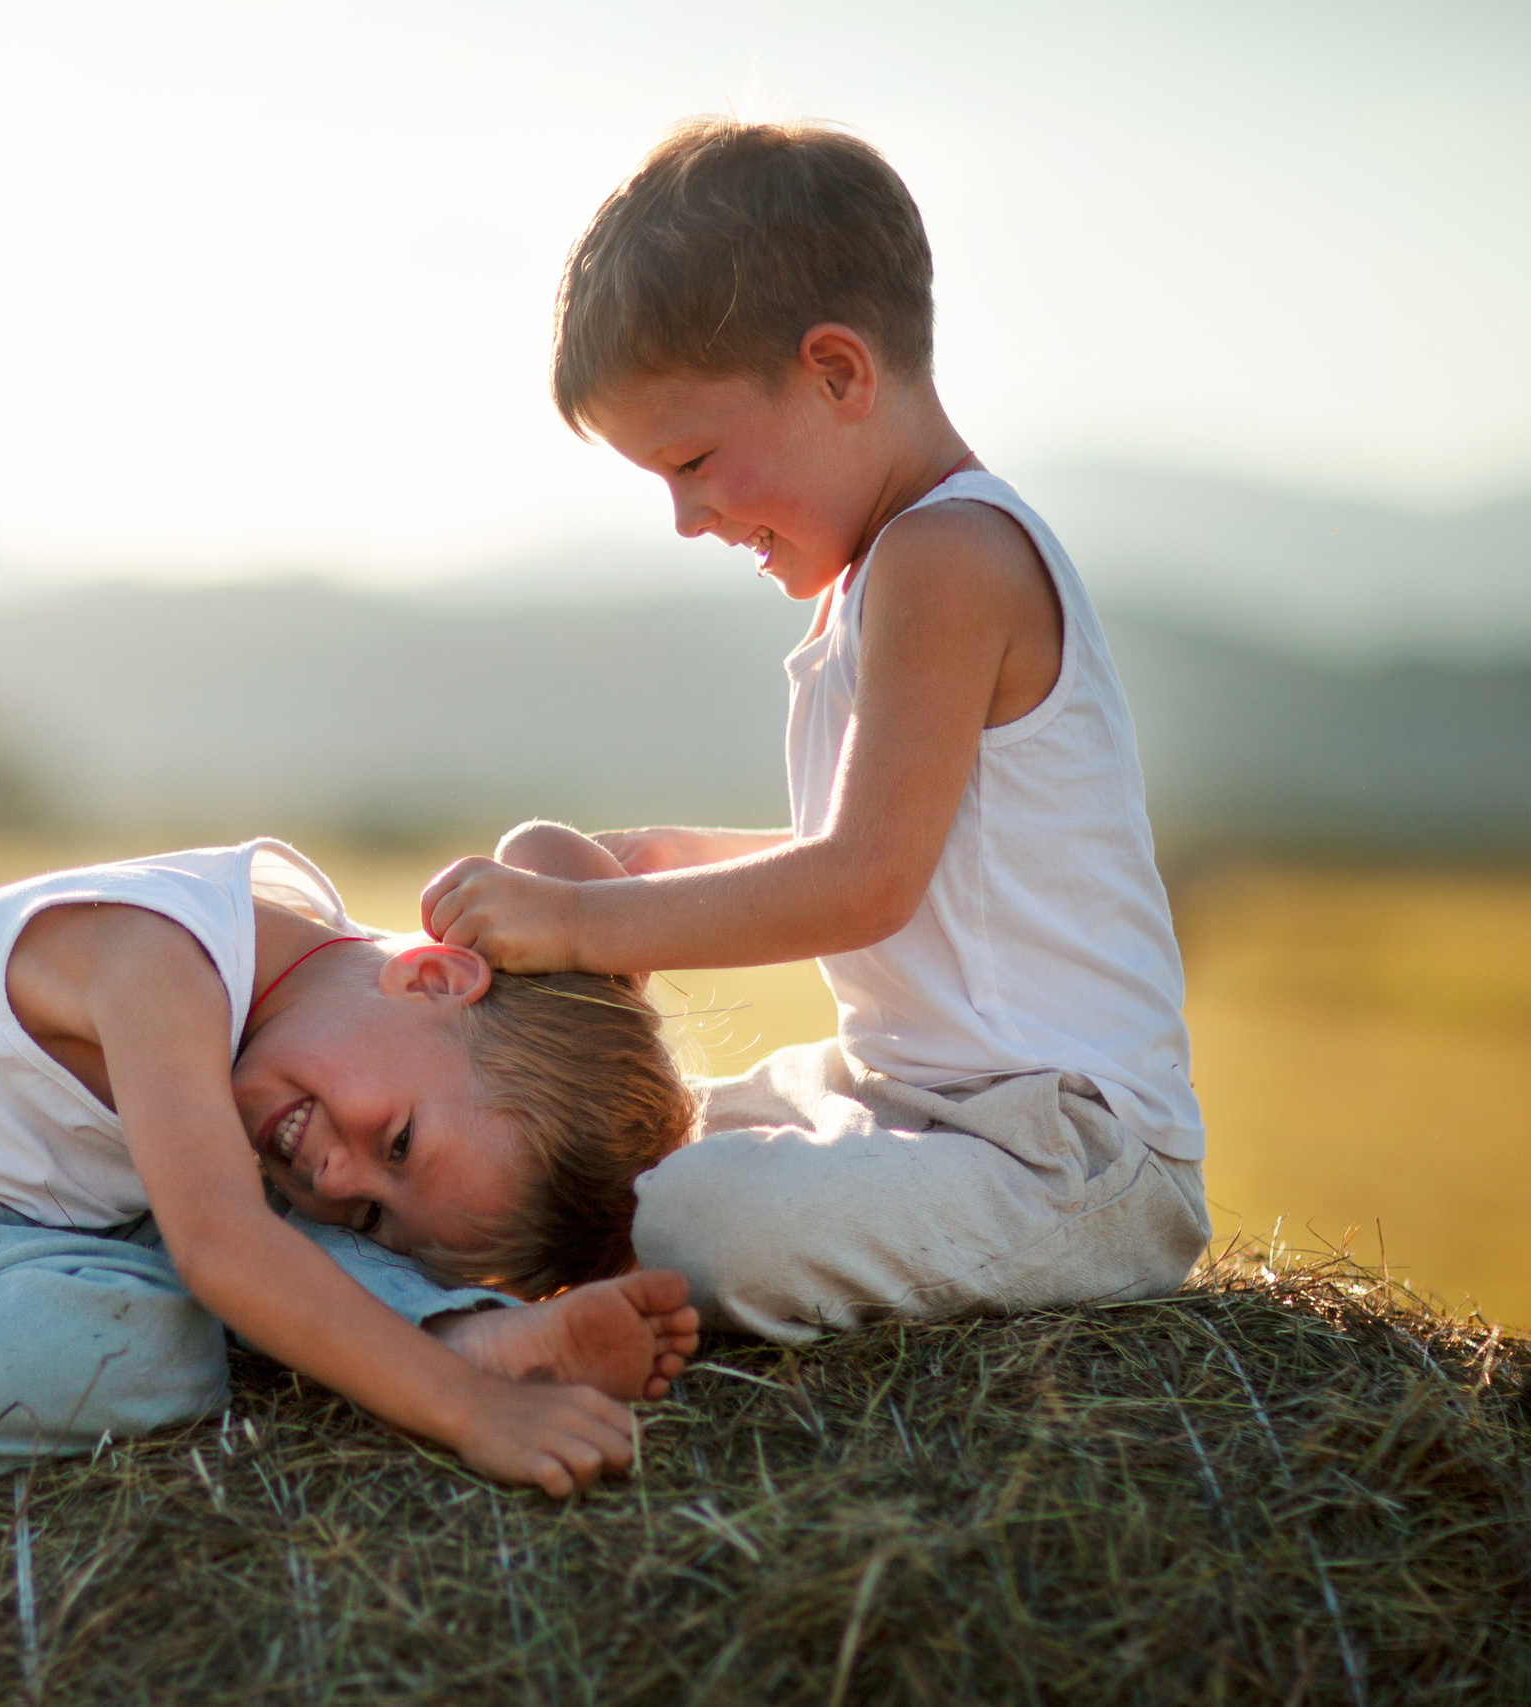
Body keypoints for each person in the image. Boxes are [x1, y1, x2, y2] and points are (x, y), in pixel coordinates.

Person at [421, 117, 1211, 1344]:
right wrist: (640, 864)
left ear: (838, 373)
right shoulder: (884, 569)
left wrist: (584, 923)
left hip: (1070, 1154)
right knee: (597, 1166)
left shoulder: (950, 554)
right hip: (909, 1102)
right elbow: (899, 850)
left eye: (693, 460)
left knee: (695, 1224)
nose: (686, 517)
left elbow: (865, 880)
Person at [0, 838, 699, 1622]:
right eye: (394, 1144)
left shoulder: (322, 1020)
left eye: (371, 1210)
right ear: (436, 979)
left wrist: (577, 909)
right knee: (160, 1326)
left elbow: (554, 850)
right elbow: (219, 1252)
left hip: (0, 1240)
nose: (336, 1172)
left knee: (275, 1250)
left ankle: (459, 1325)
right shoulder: (162, 962)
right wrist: (468, 1419)